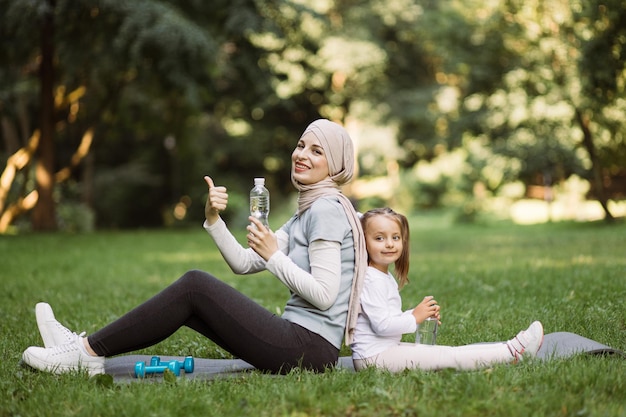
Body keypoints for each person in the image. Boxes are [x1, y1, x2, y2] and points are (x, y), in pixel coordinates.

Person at [22, 119, 368, 376]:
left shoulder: (325, 210)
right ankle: (81, 350)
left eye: (316, 151)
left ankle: (82, 353)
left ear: (335, 165)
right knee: (190, 301)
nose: (301, 155)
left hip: (307, 349)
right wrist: (213, 219)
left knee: (195, 284)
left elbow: (324, 294)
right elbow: (244, 263)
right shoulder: (310, 209)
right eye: (301, 145)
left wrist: (274, 256)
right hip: (302, 343)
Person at [350, 207, 544, 372]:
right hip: (373, 358)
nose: (390, 244)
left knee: (444, 352)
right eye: (379, 238)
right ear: (363, 241)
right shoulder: (371, 279)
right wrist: (414, 316)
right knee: (447, 355)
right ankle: (513, 351)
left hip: (380, 352)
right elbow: (382, 326)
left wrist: (417, 314)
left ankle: (510, 350)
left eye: (395, 237)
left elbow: (383, 317)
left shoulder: (380, 275)